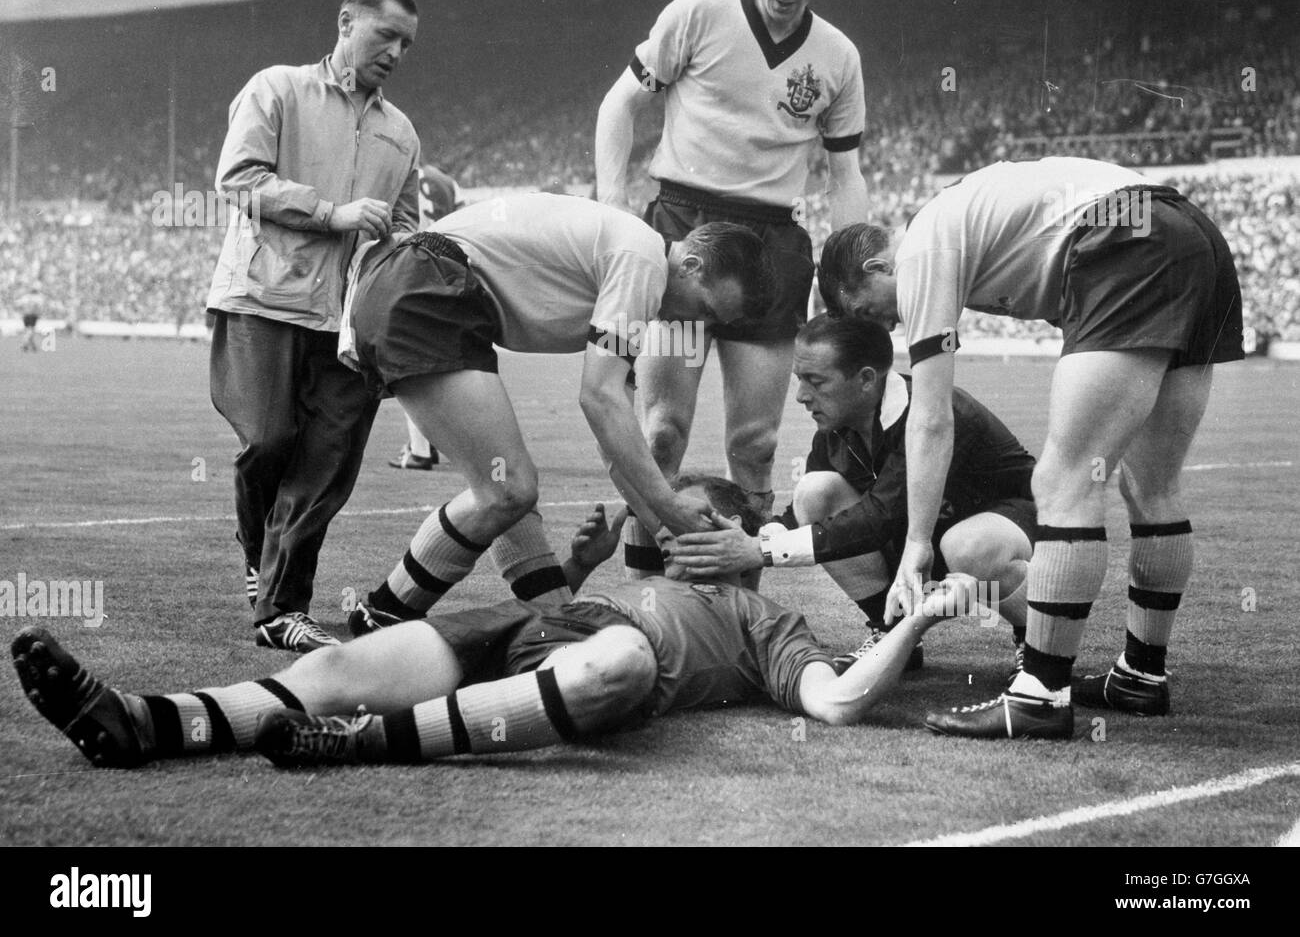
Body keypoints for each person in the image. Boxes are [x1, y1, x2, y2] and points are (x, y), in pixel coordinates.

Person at [11, 477, 985, 771]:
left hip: (591, 674)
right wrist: (586, 564)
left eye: (682, 510)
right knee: (344, 664)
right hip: (521, 639)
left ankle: (364, 746)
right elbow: (546, 597)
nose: (657, 516)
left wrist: (925, 615)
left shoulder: (765, 622)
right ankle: (143, 720)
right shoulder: (618, 577)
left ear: (729, 531)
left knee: (620, 662)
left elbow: (841, 701)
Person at [820, 158, 1245, 739]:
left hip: (1123, 238)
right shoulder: (974, 227)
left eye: (871, 309)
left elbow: (931, 416)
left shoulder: (922, 250)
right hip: (1190, 234)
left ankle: (1041, 696)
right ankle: (1142, 675)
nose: (887, 325)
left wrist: (917, 543)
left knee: (1062, 481)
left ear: (877, 265)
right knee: (1152, 483)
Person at [341, 193, 773, 636]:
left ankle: (558, 625)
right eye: (703, 309)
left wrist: (664, 527)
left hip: (423, 283)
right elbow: (599, 398)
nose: (694, 322)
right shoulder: (644, 261)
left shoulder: (640, 268)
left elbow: (615, 439)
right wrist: (667, 509)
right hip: (425, 283)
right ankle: (383, 613)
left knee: (508, 492)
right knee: (506, 489)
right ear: (692, 265)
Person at [594, 0, 868, 555]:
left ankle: (744, 591)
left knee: (757, 443)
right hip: (685, 234)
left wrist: (848, 265)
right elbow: (618, 106)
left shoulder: (836, 56)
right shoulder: (699, 14)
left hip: (770, 249)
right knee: (661, 429)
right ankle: (645, 585)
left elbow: (845, 172)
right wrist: (612, 208)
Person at [206, 0, 421, 652]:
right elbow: (238, 178)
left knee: (328, 460)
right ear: (346, 22)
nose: (396, 51)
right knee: (270, 440)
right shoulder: (277, 90)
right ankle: (261, 558)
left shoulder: (402, 131)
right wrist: (334, 213)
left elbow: (406, 229)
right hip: (263, 300)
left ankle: (281, 606)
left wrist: (402, 278)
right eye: (385, 34)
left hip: (351, 322)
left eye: (406, 43)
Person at [666, 315, 1035, 674]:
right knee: (815, 492)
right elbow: (802, 514)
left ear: (866, 380)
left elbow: (880, 516)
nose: (800, 396)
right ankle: (890, 629)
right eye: (799, 379)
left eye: (815, 381)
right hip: (925, 539)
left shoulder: (933, 415)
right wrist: (750, 539)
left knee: (968, 545)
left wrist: (757, 553)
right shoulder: (837, 427)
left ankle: (1038, 645)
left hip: (1013, 526)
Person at [389, 164, 461, 471]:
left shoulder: (397, 173)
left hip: (411, 268)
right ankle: (438, 446)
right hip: (447, 270)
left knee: (409, 366)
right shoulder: (448, 182)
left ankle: (420, 450)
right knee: (446, 367)